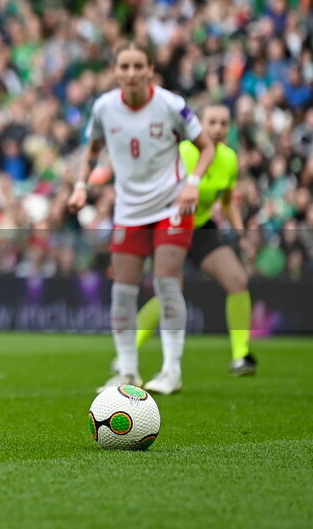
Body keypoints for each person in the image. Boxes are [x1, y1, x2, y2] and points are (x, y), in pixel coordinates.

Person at [69, 41, 214, 395]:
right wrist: (79, 186)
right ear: (115, 71)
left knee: (166, 282)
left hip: (171, 205)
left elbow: (206, 146)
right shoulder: (104, 108)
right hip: (130, 209)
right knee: (122, 290)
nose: (131, 73)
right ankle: (129, 372)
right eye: (124, 67)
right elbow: (91, 151)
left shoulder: (171, 105)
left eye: (138, 66)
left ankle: (171, 370)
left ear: (151, 69)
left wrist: (193, 182)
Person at [132, 105, 257, 376]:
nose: (218, 129)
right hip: (173, 225)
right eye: (212, 122)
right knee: (169, 291)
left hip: (201, 228)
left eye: (224, 123)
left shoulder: (229, 159)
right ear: (200, 124)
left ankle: (241, 356)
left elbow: (226, 200)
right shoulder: (183, 153)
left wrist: (240, 233)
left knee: (237, 280)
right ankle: (128, 353)